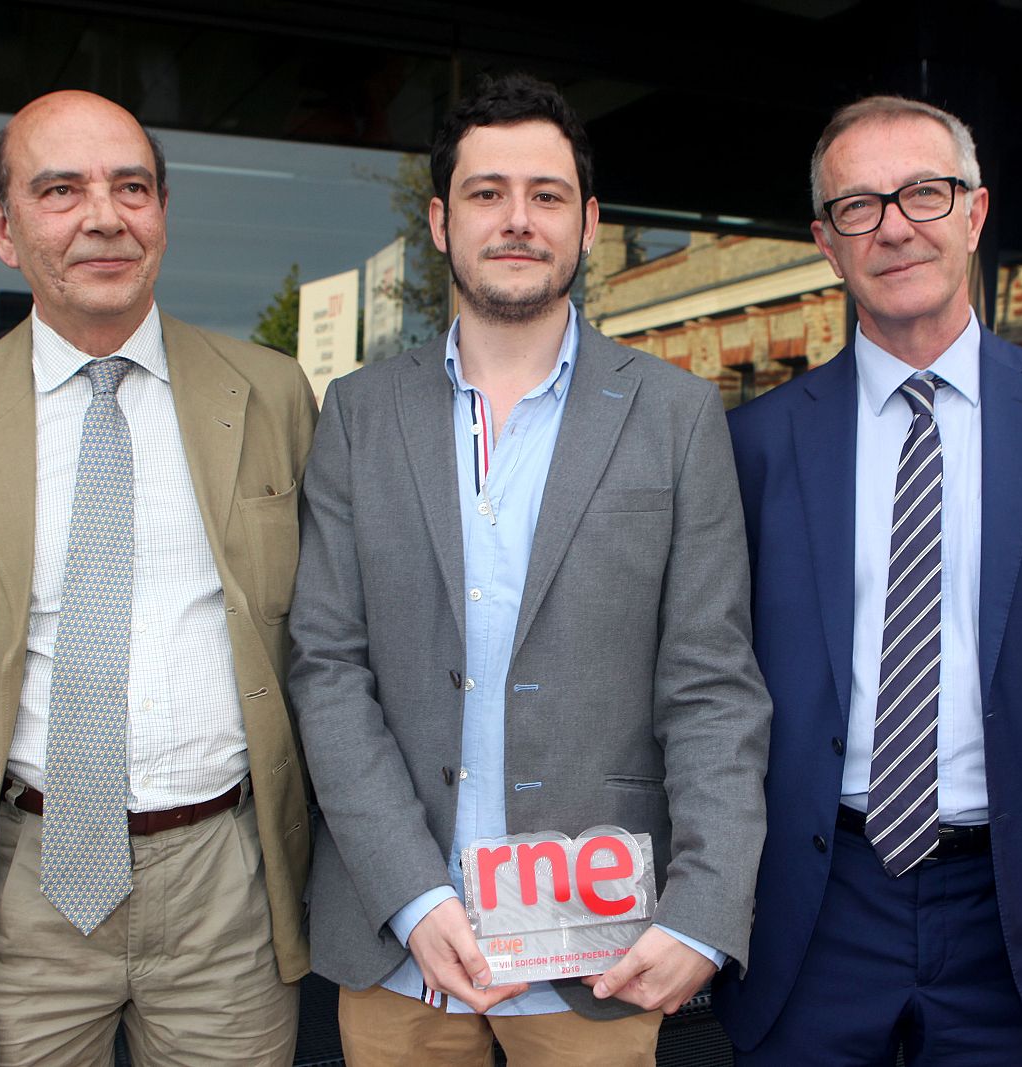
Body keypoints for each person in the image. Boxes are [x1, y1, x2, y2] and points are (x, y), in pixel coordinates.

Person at [287, 72, 771, 1066]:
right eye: (485, 192)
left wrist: (703, 912)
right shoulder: (358, 412)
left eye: (546, 195)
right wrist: (412, 892)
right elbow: (325, 666)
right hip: (402, 946)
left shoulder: (676, 416)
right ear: (438, 219)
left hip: (598, 956)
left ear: (589, 223)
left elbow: (713, 691)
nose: (518, 220)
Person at [0, 89, 315, 1067]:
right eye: (60, 189)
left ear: (161, 213)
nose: (103, 217)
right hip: (18, 890)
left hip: (224, 886)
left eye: (131, 187)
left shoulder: (272, 394)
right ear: (2, 224)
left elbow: (312, 627)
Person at [714, 95, 1022, 1066]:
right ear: (825, 243)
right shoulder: (753, 444)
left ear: (974, 212)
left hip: (1017, 898)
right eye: (859, 206)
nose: (896, 224)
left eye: (923, 192)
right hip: (816, 897)